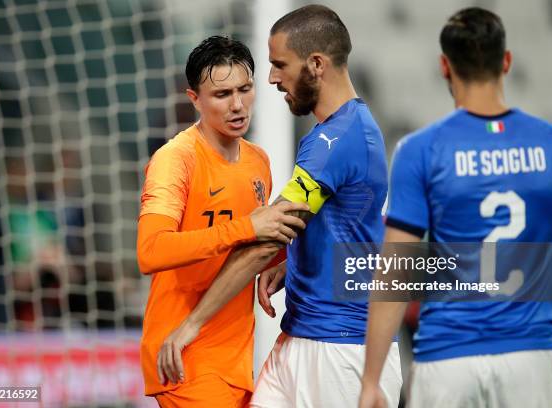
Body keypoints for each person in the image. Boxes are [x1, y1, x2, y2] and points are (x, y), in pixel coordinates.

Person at [359, 7, 552, 408]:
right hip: (528, 356)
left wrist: (372, 378)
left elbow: (397, 268)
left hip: (447, 355)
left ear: (445, 66)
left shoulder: (420, 150)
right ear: (507, 61)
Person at [137, 35, 307, 407]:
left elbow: (253, 243)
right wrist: (247, 227)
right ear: (194, 99)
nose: (237, 105)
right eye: (221, 94)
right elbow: (150, 252)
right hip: (184, 356)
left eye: (245, 89)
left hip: (235, 357)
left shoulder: (257, 160)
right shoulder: (175, 160)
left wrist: (280, 263)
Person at [250, 5, 402, 407]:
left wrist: (193, 320)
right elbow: (343, 224)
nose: (271, 77)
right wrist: (293, 261)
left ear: (316, 64)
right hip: (302, 335)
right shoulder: (345, 131)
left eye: (280, 64)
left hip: (342, 350)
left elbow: (270, 231)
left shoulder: (336, 141)